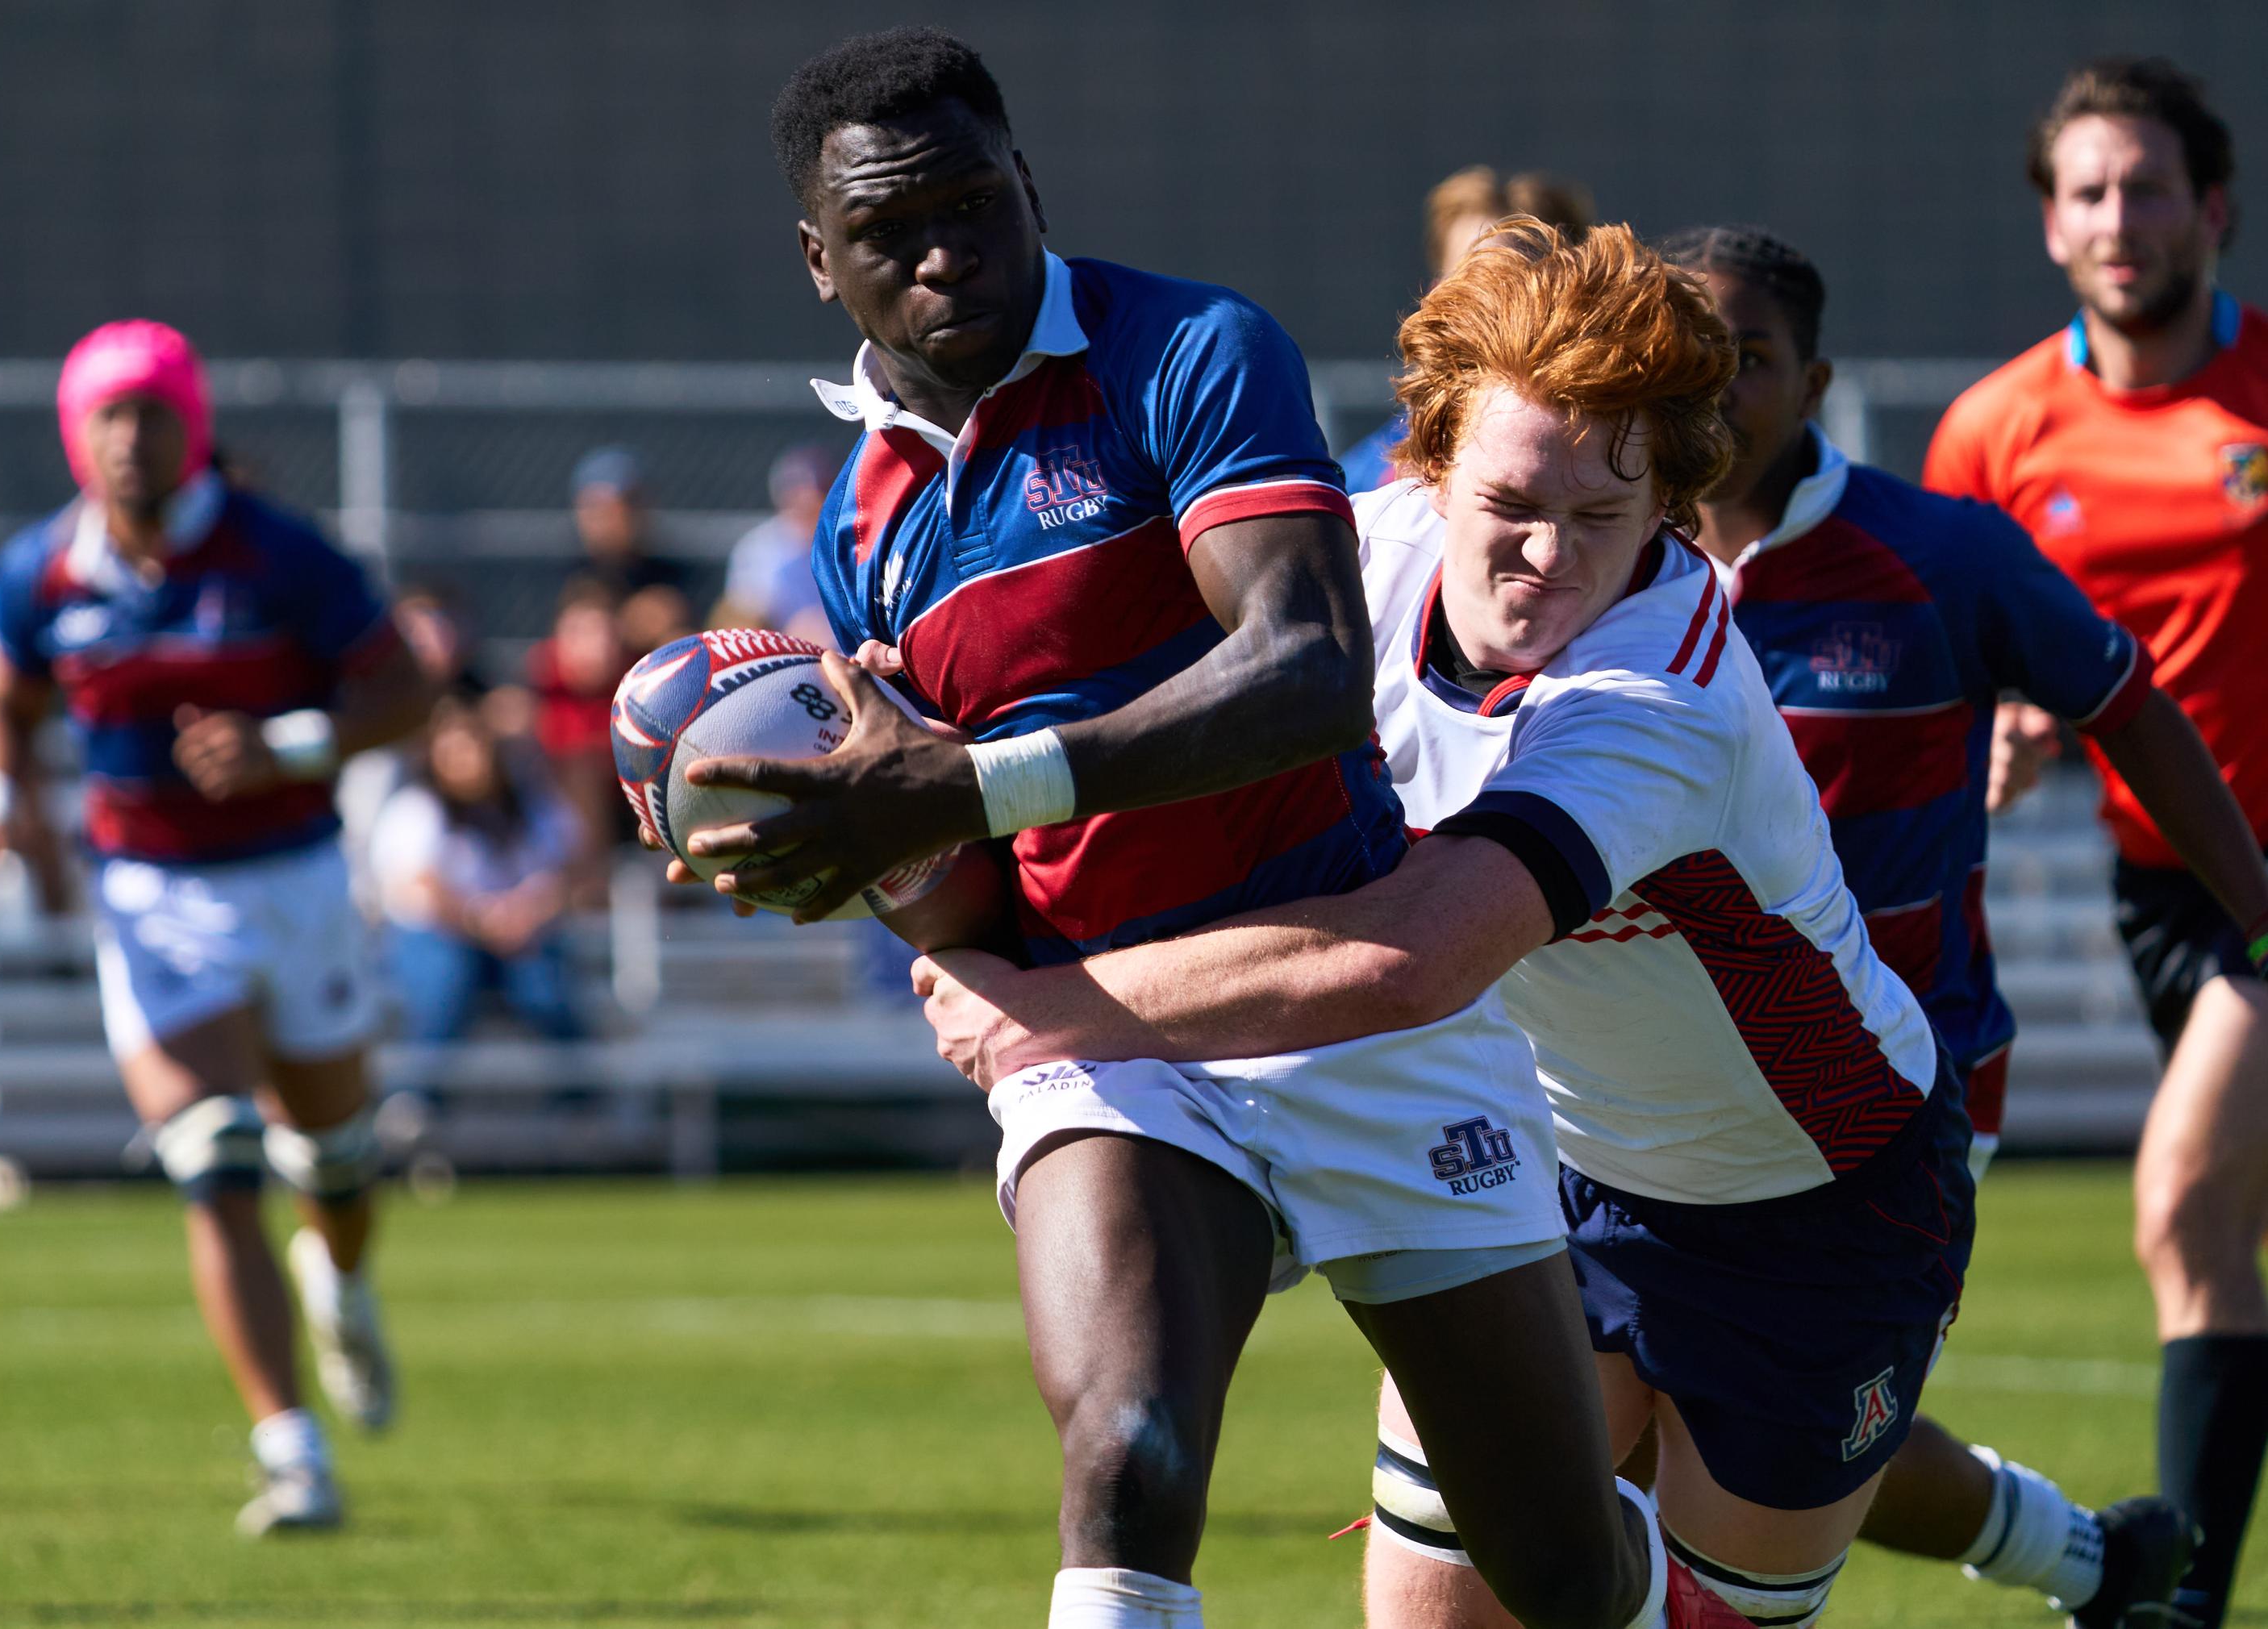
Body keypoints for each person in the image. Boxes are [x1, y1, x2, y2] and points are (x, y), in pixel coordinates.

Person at [669, 31, 1734, 1629]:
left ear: (1027, 184)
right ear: (824, 264)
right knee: (1130, 1450)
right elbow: (963, 896)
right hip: (1117, 1039)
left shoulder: (1188, 352)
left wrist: (961, 784)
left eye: (973, 200)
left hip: (1346, 986)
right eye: (894, 231)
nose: (947, 249)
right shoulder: (862, 526)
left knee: (1560, 1568)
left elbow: (1303, 674)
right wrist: (848, 853)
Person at [912, 222, 1978, 1629]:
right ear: (1423, 464)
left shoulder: (1664, 704)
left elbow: (1404, 954)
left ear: (1668, 502)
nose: (1545, 556)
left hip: (1818, 1204)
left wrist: (1050, 1010)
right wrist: (875, 785)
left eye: (1603, 518)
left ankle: (2071, 1550)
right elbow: (1083, 679)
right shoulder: (1355, 556)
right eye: (1510, 504)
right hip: (1548, 1163)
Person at [1675, 223, 2268, 1625]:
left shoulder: (1940, 553)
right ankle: (2090, 1558)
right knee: (1650, 1447)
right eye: (1690, 356)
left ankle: (2098, 1561)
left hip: (1900, 1093)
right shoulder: (1602, 563)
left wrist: (2257, 912)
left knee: (1792, 1449)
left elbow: (2135, 710)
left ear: (1813, 383)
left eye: (1748, 359)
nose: (1713, 390)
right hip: (1657, 1099)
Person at [0, 320, 434, 1535]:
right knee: (211, 1158)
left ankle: (345, 1282)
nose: (127, 439)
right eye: (105, 416)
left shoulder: (277, 553)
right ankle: (292, 1450)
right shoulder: (41, 572)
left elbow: (405, 689)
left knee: (333, 1161)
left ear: (192, 423)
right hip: (151, 895)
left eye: (151, 413)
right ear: (74, 433)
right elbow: (2, 701)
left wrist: (289, 743)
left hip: (296, 880)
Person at [1922, 59, 2268, 1629]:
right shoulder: (1997, 431)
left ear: (2214, 209)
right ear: (2054, 225)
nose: (2119, 218)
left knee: (2184, 1198)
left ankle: (2178, 1601)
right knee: (2217, 1242)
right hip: (2152, 884)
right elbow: (1962, 664)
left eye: (2147, 187)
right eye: (2088, 191)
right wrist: (2022, 722)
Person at [1340, 166, 1595, 494]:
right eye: (1469, 276)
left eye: (1515, 279)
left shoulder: (1624, 461)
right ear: (1435, 292)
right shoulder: (1362, 482)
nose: (1490, 301)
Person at [373, 694, 583, 1043]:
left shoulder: (531, 803)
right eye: (453, 751)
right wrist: (479, 919)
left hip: (524, 938)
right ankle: (420, 1092)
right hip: (440, 941)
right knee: (444, 982)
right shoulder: (416, 808)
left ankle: (580, 1093)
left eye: (474, 746)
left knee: (546, 990)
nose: (467, 759)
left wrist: (529, 911)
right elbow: (417, 886)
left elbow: (574, 867)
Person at [527, 577, 632, 902]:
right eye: (582, 632)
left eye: (605, 632)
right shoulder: (542, 686)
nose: (597, 645)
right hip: (560, 818)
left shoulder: (639, 682)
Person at [710, 443, 840, 648]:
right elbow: (743, 621)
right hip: (783, 653)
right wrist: (793, 638)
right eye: (797, 491)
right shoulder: (760, 548)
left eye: (822, 490)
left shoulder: (854, 541)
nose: (810, 500)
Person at [569, 444, 696, 654]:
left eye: (627, 504)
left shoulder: (672, 574)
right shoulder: (564, 571)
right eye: (596, 507)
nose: (612, 516)